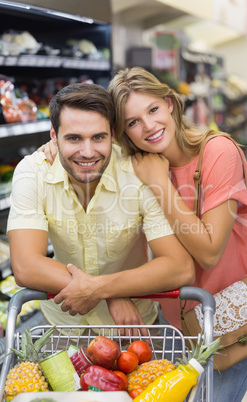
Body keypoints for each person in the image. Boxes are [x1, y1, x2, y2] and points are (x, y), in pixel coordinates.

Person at [106, 67, 247, 401]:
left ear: (169, 104)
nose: (148, 126)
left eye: (152, 110)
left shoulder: (217, 152)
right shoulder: (136, 164)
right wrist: (46, 154)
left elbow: (209, 251)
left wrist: (160, 184)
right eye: (133, 122)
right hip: (173, 323)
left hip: (231, 316)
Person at [7, 82, 195, 339]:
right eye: (74, 138)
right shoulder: (33, 172)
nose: (87, 152)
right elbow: (26, 266)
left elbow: (180, 267)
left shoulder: (139, 174)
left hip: (133, 328)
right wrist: (110, 295)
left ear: (113, 134)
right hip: (62, 325)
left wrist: (101, 289)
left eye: (98, 137)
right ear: (53, 135)